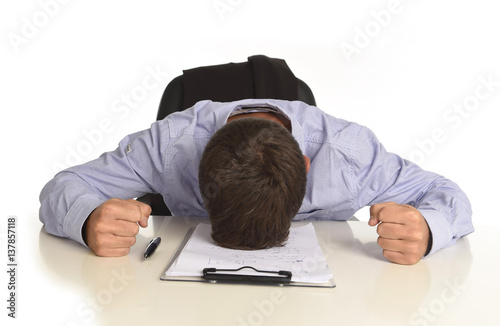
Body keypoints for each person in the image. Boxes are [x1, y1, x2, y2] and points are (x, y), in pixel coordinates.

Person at [39, 99, 473, 265]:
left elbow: (448, 195)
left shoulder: (350, 155)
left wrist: (430, 228)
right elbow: (64, 184)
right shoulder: (170, 147)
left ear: (305, 166)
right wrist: (85, 218)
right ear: (199, 165)